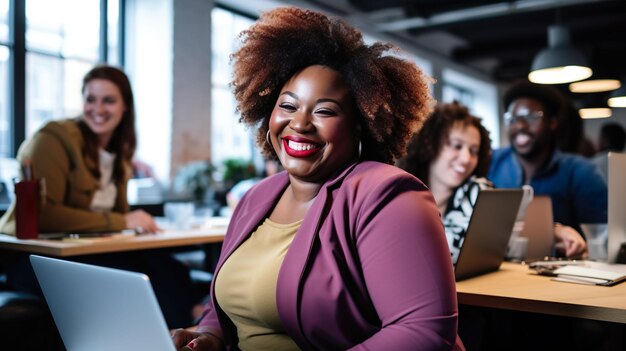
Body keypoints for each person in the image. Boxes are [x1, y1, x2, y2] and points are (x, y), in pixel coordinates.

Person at [173, 7, 464, 351]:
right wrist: (210, 336)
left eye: (324, 111)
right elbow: (231, 301)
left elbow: (424, 333)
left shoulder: (389, 195)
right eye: (288, 106)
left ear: (360, 126)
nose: (300, 123)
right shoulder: (256, 197)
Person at [0, 65, 194, 328]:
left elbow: (115, 221)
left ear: (125, 106)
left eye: (109, 101)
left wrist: (126, 223)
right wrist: (123, 221)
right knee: (136, 280)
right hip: (34, 258)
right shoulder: (54, 137)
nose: (98, 109)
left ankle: (183, 338)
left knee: (173, 271)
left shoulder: (119, 154)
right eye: (91, 99)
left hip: (87, 252)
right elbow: (44, 215)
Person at [488, 80, 606, 258]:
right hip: (497, 273)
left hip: (561, 277)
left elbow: (603, 239)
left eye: (531, 117)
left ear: (552, 122)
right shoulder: (491, 162)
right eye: (512, 119)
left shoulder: (581, 172)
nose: (520, 125)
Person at [398, 101, 492, 264]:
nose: (466, 159)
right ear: (430, 145)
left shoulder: (479, 195)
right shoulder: (398, 196)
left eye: (473, 151)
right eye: (456, 146)